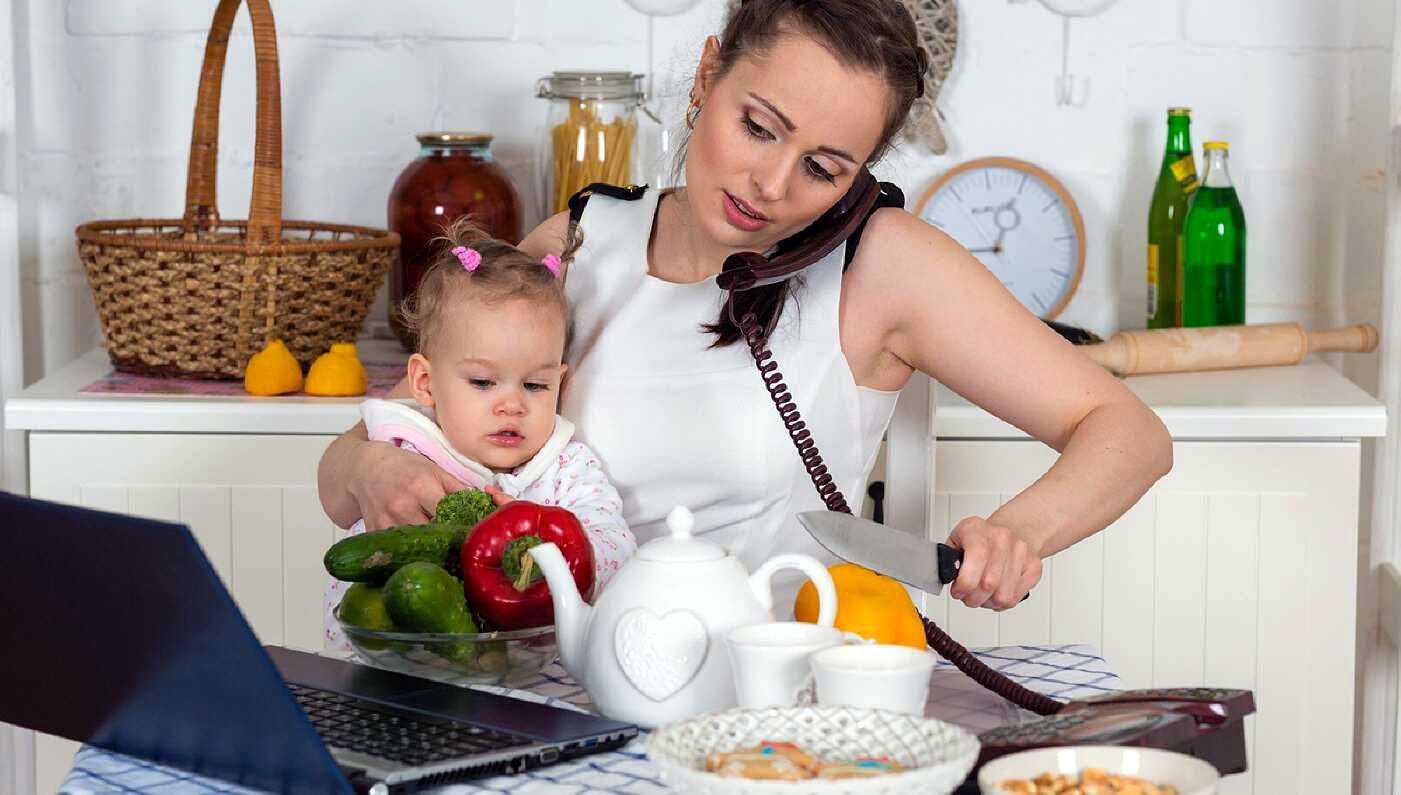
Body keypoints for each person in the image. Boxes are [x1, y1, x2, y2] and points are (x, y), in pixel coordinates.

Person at [319, 0, 1171, 617]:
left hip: (758, 710)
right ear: (705, 75)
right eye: (759, 126)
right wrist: (373, 468)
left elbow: (1128, 432)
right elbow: (355, 463)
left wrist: (1015, 531)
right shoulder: (579, 240)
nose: (771, 186)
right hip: (548, 682)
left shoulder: (883, 264)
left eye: (825, 167)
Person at [323, 220, 634, 647]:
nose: (512, 404)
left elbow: (617, 553)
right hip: (395, 669)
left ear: (560, 383)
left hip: (533, 680)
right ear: (425, 383)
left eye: (535, 385)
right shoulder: (402, 448)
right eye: (484, 383)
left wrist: (531, 544)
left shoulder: (566, 467)